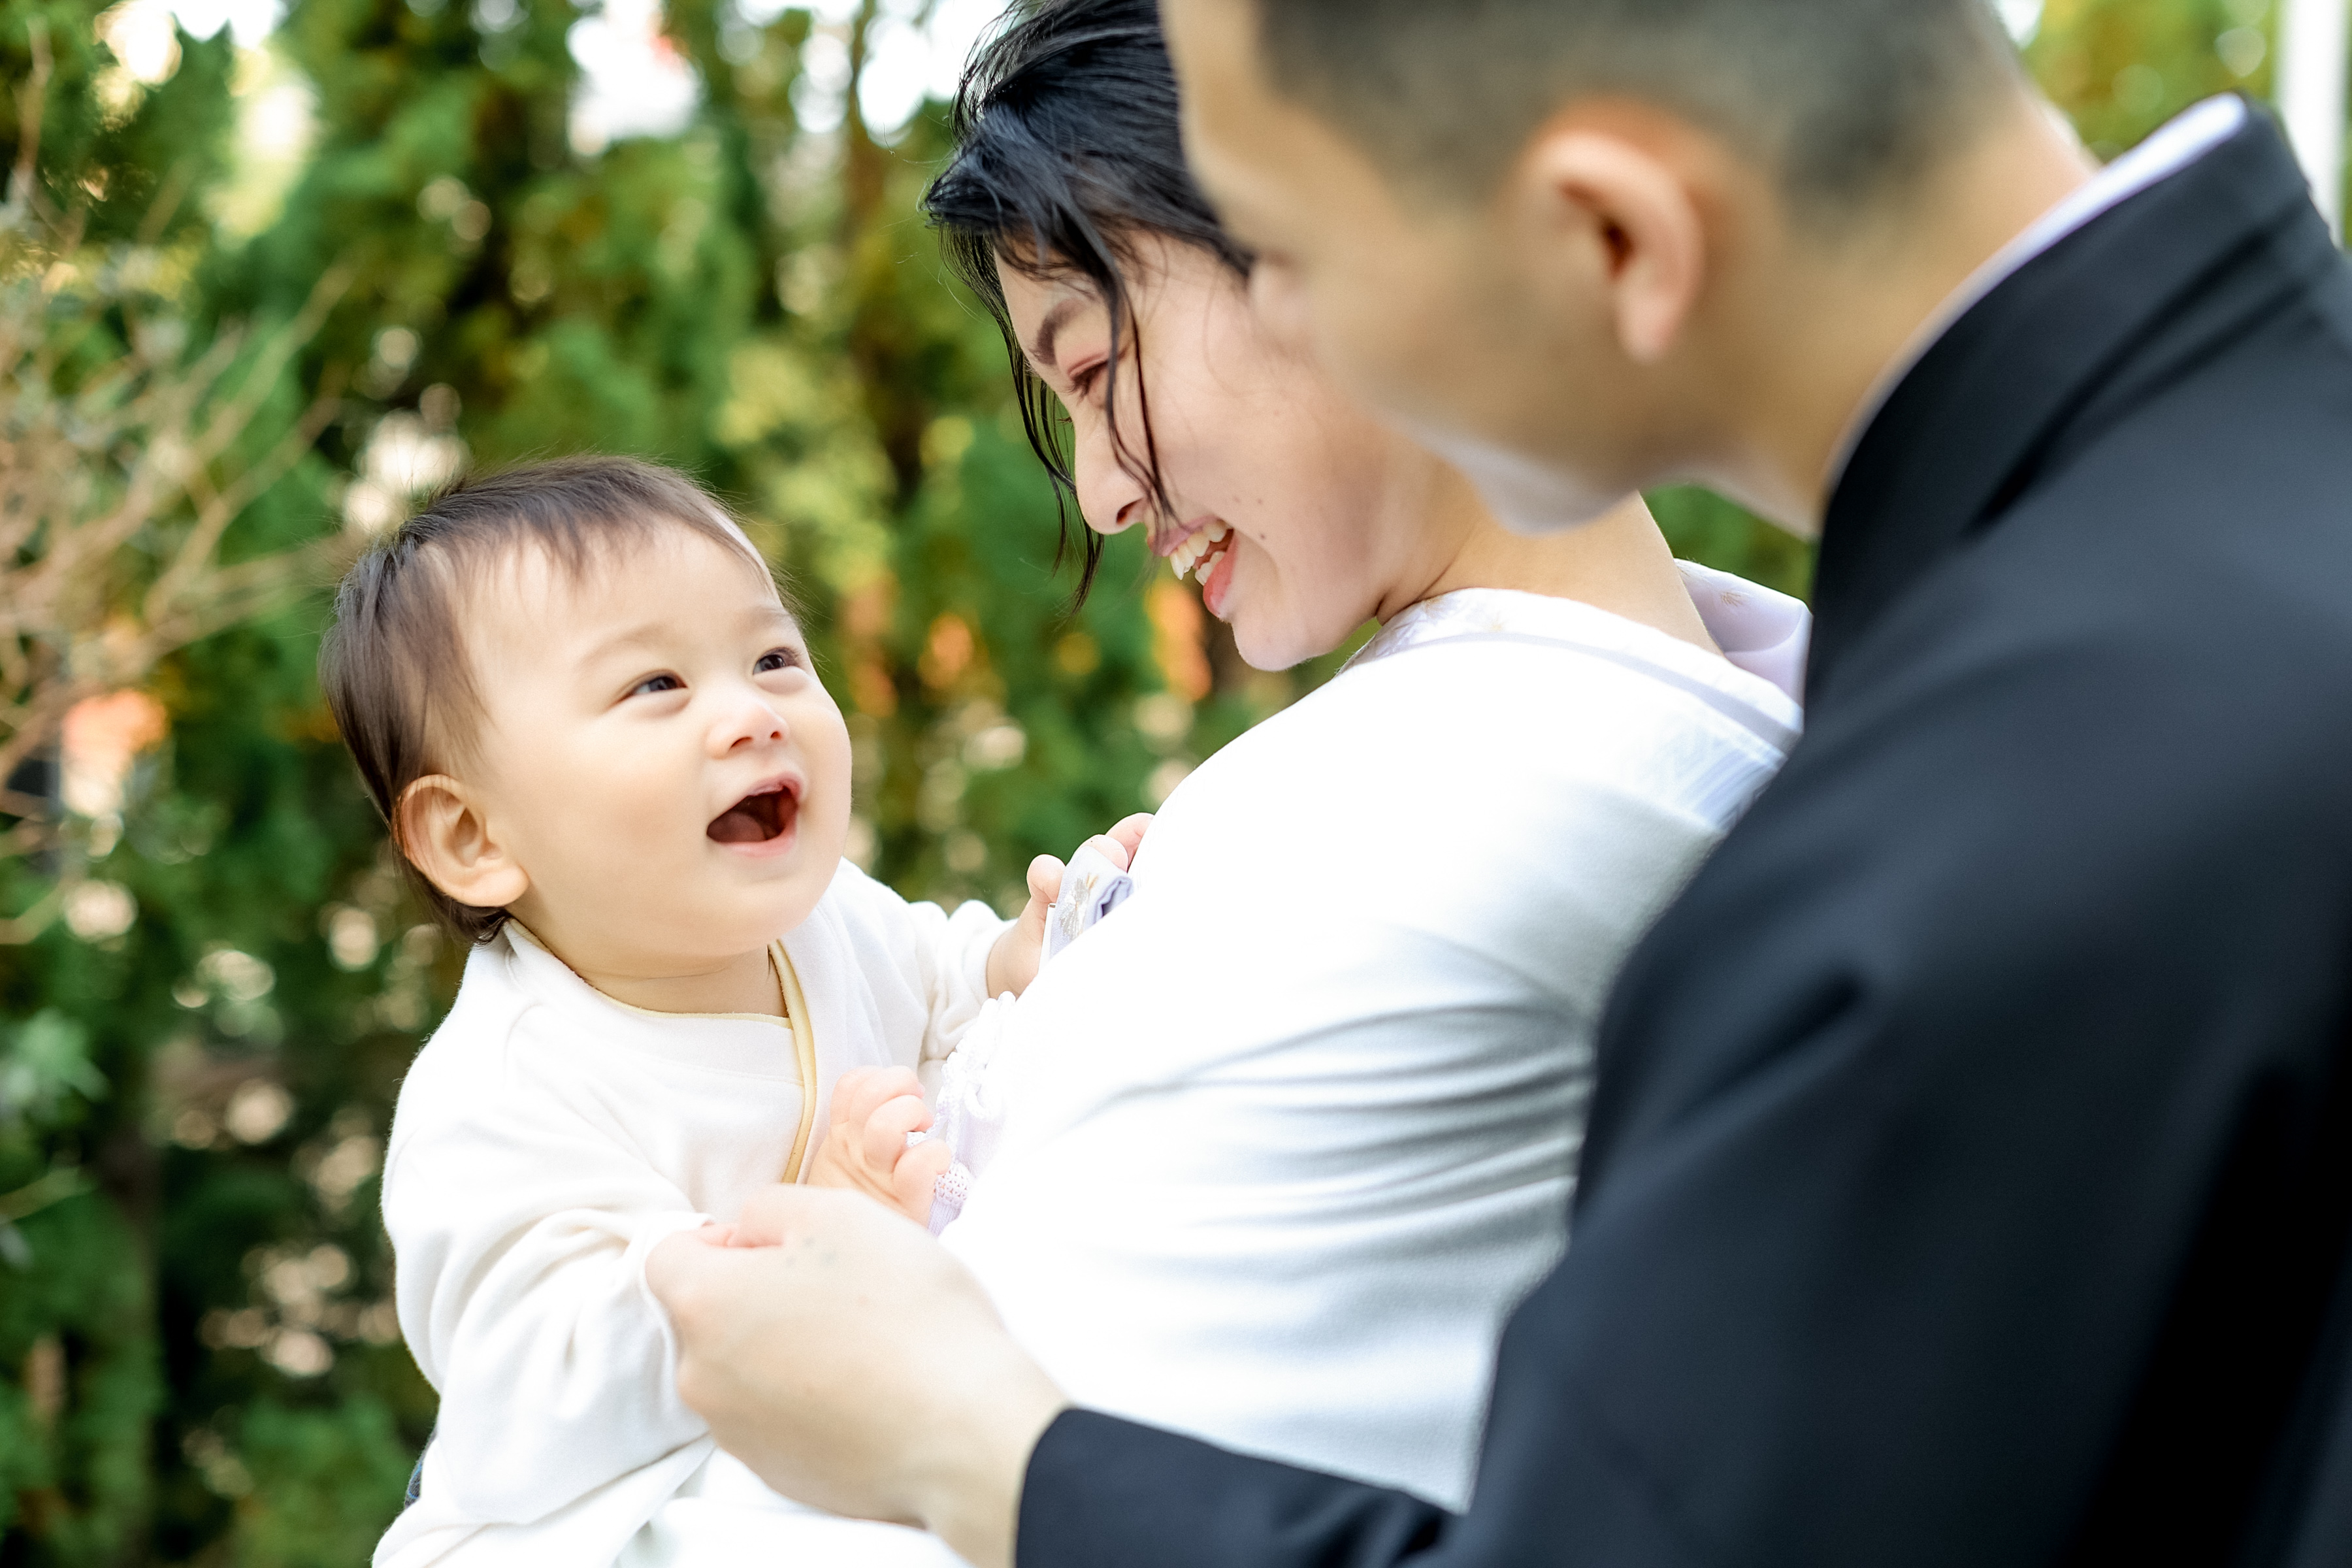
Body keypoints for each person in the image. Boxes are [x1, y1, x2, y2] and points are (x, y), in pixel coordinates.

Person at [647, 0, 2352, 1564]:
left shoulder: (1951, 860)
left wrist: (978, 1449)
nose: (1102, 494)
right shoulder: (2199, 584)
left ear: (1607, 233)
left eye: (1304, 249)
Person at [766, 0, 1806, 1519]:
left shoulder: (1407, 822)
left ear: (1330, 238)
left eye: (1095, 364)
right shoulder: (1722, 710)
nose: (1109, 494)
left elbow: (969, 1448)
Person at [322, 457, 1137, 1567]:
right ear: (476, 838)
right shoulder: (502, 1094)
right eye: (655, 686)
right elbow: (528, 1396)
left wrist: (1023, 952)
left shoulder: (826, 918)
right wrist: (804, 1240)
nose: (751, 713)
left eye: (772, 657)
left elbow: (945, 986)